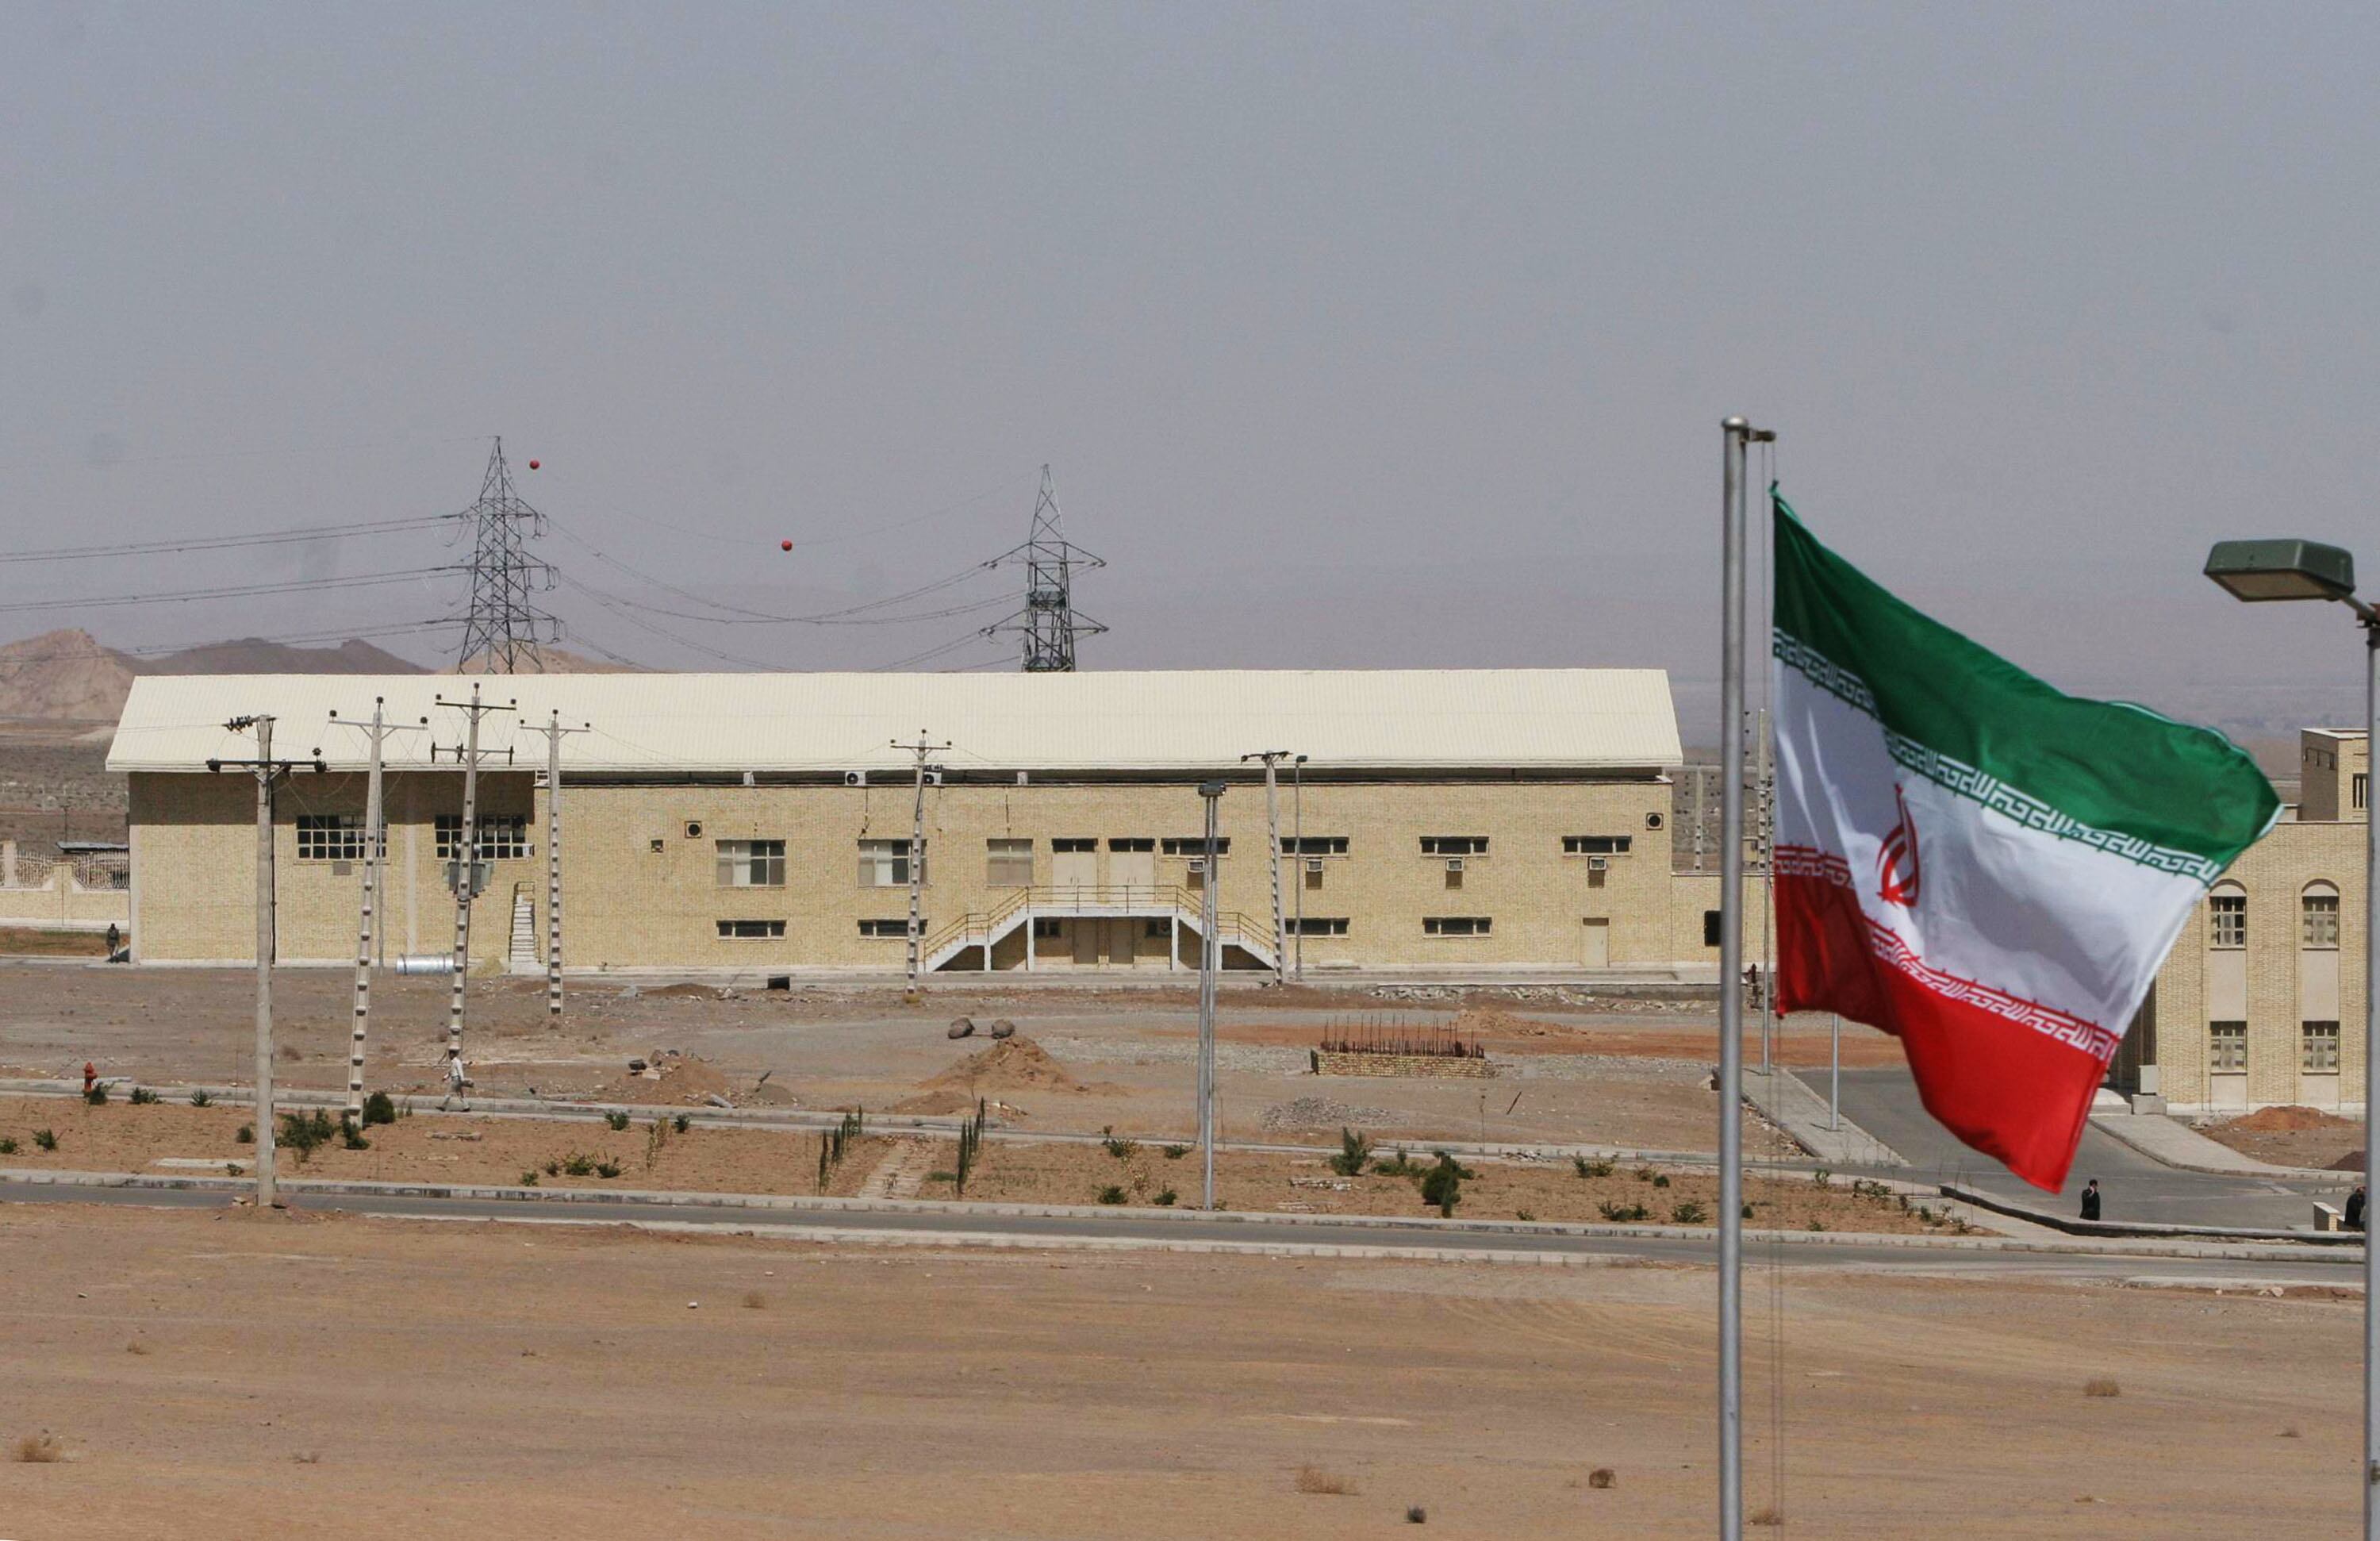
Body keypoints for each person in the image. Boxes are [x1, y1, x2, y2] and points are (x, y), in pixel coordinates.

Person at [440, 1046, 470, 1112]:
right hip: (456, 1079)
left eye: (450, 1054)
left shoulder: (457, 1062)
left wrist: (462, 1079)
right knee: (460, 1094)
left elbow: (460, 1071)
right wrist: (445, 1077)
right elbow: (451, 1071)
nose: (449, 1056)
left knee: (449, 1093)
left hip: (456, 1080)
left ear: (452, 1054)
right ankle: (466, 1107)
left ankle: (443, 1107)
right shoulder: (453, 1062)